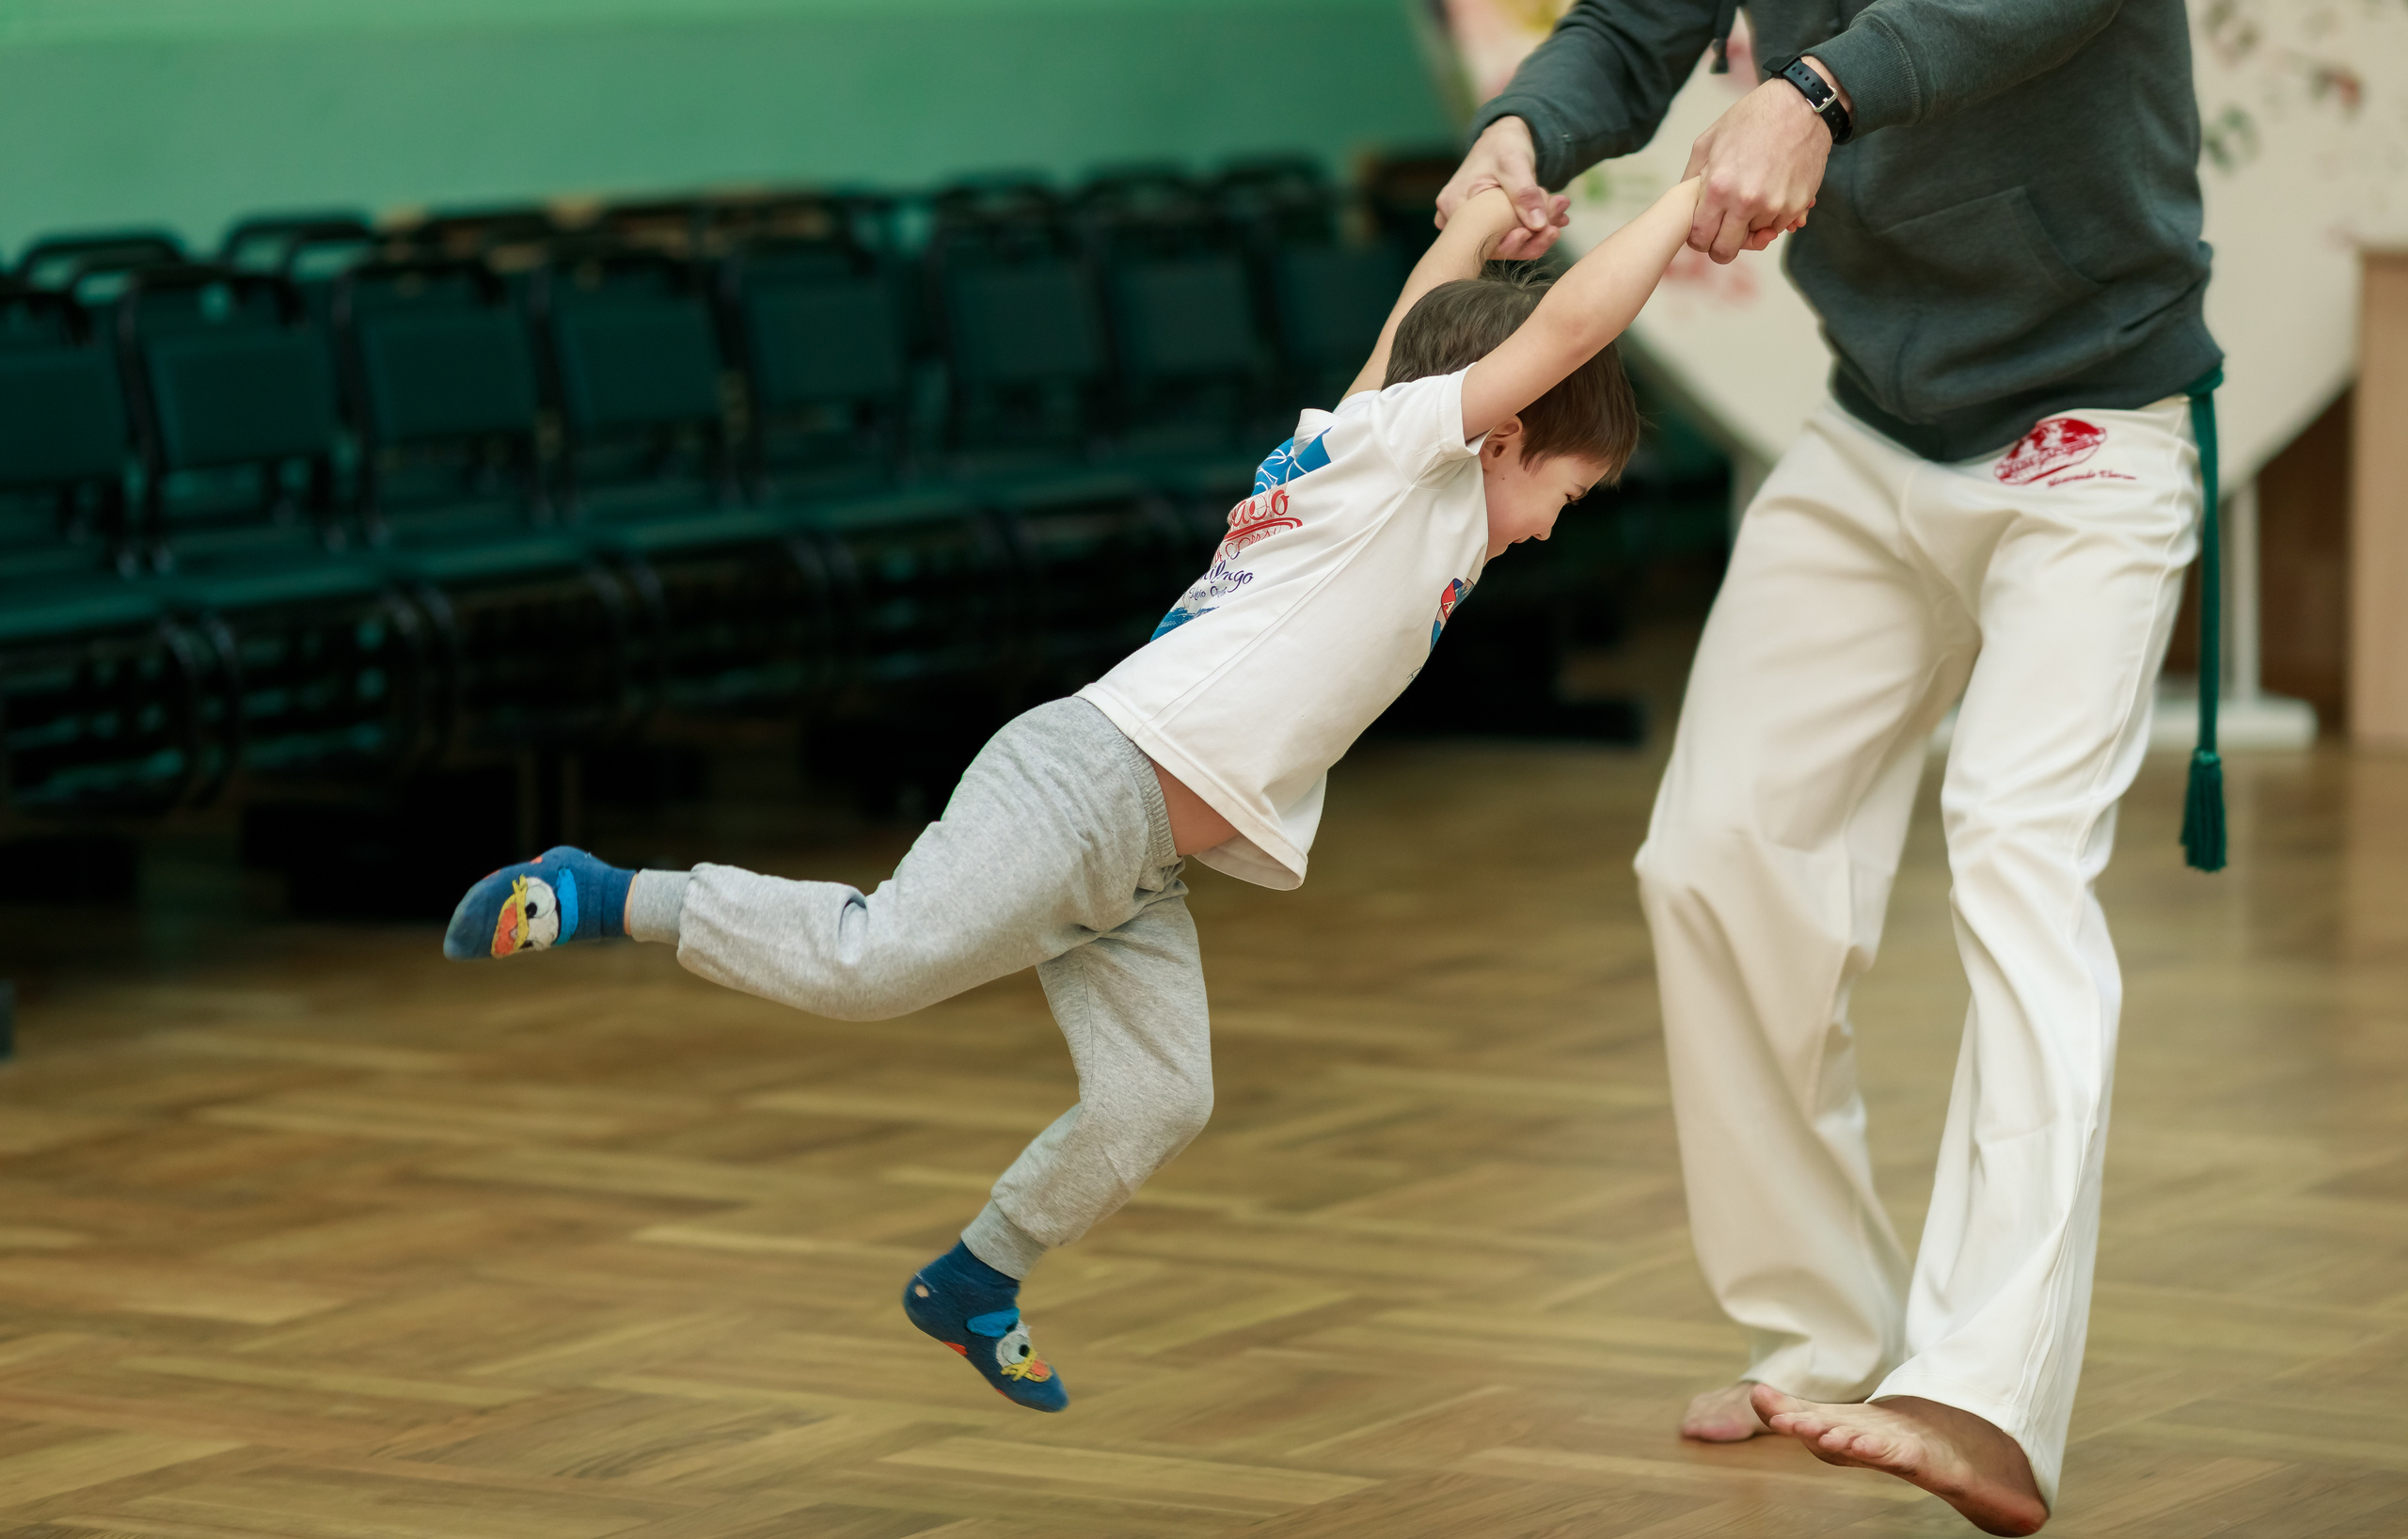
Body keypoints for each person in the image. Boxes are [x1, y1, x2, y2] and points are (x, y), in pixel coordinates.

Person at [438, 177, 1704, 1412]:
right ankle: (606, 894)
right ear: (1506, 433)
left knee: (1161, 1098)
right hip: (1085, 789)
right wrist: (1686, 196)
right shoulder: (1395, 468)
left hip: (1141, 861)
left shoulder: (1367, 461)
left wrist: (1478, 229)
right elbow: (1566, 331)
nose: (1552, 528)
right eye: (1566, 495)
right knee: (873, 964)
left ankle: (977, 1277)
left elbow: (1410, 347)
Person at [1434, 3, 2218, 1534]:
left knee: (2015, 853)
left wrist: (1818, 92)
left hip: (2093, 419)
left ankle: (1981, 1396)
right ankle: (1827, 1335)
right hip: (1876, 426)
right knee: (1716, 853)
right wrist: (1521, 133)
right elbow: (1630, 27)